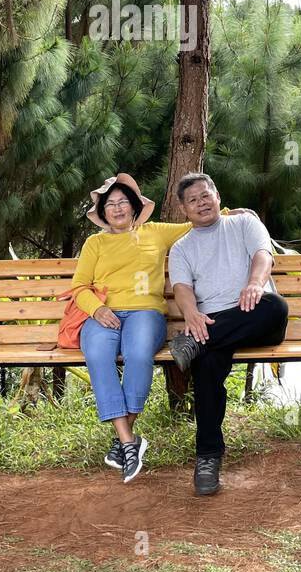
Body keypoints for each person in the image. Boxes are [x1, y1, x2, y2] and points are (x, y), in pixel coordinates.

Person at [167, 172, 288, 495]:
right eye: (192, 200)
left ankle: (195, 342)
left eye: (205, 196)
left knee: (275, 306)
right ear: (184, 209)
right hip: (210, 325)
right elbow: (181, 288)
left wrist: (254, 284)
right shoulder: (181, 249)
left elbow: (264, 256)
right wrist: (191, 313)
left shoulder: (245, 224)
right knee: (205, 367)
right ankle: (208, 458)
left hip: (255, 316)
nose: (201, 203)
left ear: (217, 196)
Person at [72, 173, 191, 484]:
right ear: (102, 213)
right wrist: (97, 309)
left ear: (136, 206)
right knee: (98, 355)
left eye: (123, 202)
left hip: (145, 313)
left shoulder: (155, 233)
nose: (117, 208)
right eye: (110, 204)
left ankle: (124, 441)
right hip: (102, 315)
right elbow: (80, 287)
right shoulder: (94, 243)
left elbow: (195, 221)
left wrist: (231, 212)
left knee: (139, 354)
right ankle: (128, 442)